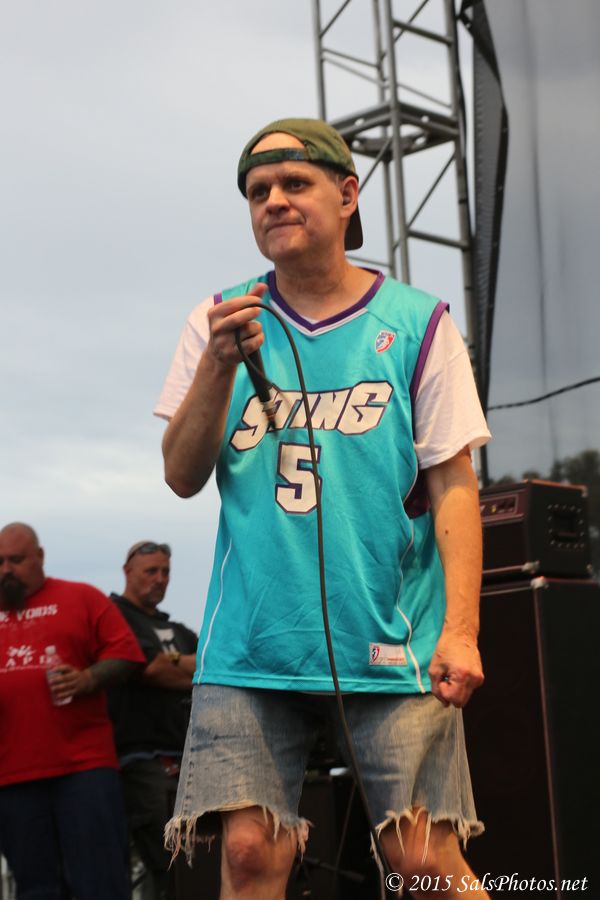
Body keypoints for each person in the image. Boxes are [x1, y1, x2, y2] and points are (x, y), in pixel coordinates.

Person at [154, 118, 492, 900]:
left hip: (392, 636)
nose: (273, 200)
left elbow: (454, 486)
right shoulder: (219, 319)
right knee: (248, 854)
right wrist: (217, 365)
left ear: (347, 196)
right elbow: (179, 475)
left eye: (293, 183)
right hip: (251, 645)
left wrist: (463, 630)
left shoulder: (417, 322)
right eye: (257, 192)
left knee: (422, 861)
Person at [0, 522, 145, 900]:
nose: (6, 570)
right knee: (36, 888)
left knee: (100, 882)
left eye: (16, 560)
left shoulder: (80, 597)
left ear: (39, 557)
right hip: (12, 776)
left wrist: (88, 679)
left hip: (84, 769)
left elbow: (127, 655)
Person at [108, 541, 197, 900]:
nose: (160, 579)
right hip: (139, 759)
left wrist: (173, 664)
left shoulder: (178, 629)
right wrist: (184, 665)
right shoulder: (113, 616)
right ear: (128, 571)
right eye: (151, 571)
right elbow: (151, 669)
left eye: (165, 572)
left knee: (196, 860)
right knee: (168, 860)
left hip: (187, 758)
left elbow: (215, 665)